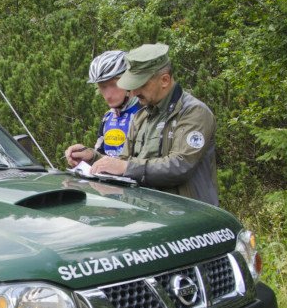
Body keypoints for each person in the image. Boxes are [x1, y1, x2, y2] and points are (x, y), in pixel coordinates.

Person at [81, 43, 220, 207]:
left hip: (189, 216)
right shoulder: (142, 115)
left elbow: (180, 166)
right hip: (150, 214)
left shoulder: (193, 113)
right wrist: (93, 158)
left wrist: (126, 166)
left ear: (165, 80)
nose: (133, 92)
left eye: (141, 84)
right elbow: (124, 162)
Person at [65, 50, 141, 168]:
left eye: (113, 85)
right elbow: (102, 156)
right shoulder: (108, 117)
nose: (108, 95)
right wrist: (87, 155)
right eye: (102, 87)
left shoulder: (146, 113)